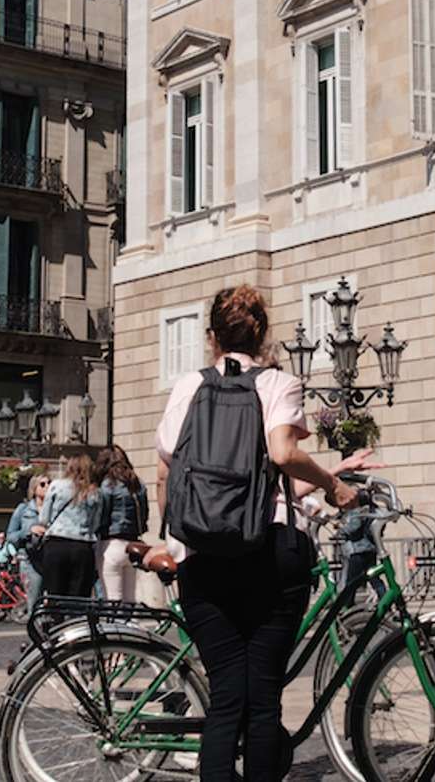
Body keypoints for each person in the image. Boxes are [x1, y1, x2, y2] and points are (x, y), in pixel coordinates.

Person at [154, 284, 359, 782]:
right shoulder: (278, 384)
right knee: (262, 699)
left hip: (204, 555)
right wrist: (333, 484)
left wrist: (174, 542)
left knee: (226, 698)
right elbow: (283, 454)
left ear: (212, 338)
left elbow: (164, 472)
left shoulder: (188, 387)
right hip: (271, 550)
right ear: (262, 333)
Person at [31, 455, 102, 599]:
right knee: (79, 597)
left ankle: (56, 620)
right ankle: (75, 621)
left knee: (55, 594)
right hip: (83, 546)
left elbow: (44, 518)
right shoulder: (95, 492)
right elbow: (96, 524)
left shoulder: (57, 485)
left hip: (57, 544)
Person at [95, 446, 150, 605]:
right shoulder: (138, 482)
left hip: (112, 543)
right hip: (133, 544)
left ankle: (115, 629)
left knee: (112, 600)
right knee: (129, 600)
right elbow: (145, 513)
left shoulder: (108, 484)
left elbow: (102, 516)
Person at [6, 476, 49, 610]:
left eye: (49, 483)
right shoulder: (23, 509)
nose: (47, 486)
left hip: (51, 558)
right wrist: (29, 531)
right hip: (30, 560)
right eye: (42, 484)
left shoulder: (55, 508)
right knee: (35, 602)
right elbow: (11, 536)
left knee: (53, 603)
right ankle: (36, 629)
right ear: (34, 489)